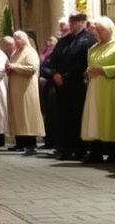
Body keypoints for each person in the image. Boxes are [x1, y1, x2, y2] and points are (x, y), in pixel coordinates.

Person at [80, 17, 115, 164]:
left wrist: (102, 70)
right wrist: (87, 73)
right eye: (97, 31)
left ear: (110, 29)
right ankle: (96, 151)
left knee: (110, 117)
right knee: (94, 118)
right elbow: (90, 65)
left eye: (101, 30)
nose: (98, 33)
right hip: (94, 86)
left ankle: (113, 153)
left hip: (110, 86)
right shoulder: (94, 48)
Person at [50, 13, 94, 161]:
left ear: (82, 22)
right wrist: (55, 74)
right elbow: (53, 59)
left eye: (75, 22)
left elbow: (82, 62)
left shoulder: (88, 40)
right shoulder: (64, 40)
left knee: (77, 117)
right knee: (64, 118)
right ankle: (66, 148)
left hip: (76, 84)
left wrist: (66, 76)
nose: (72, 24)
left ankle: (80, 149)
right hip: (61, 85)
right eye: (71, 22)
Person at [5, 31, 45, 156]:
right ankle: (20, 142)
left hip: (26, 88)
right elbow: (12, 65)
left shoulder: (30, 52)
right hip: (16, 89)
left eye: (18, 39)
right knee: (18, 115)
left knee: (27, 114)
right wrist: (9, 68)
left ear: (23, 39)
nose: (16, 41)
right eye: (15, 39)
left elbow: (31, 68)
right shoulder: (16, 53)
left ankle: (31, 144)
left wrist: (14, 67)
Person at [38, 22, 64, 150]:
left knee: (54, 115)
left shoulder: (56, 53)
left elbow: (54, 68)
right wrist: (46, 74)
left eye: (52, 40)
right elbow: (43, 67)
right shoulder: (47, 54)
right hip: (47, 85)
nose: (49, 42)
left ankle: (54, 141)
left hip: (53, 85)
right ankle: (49, 140)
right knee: (48, 114)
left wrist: (51, 75)